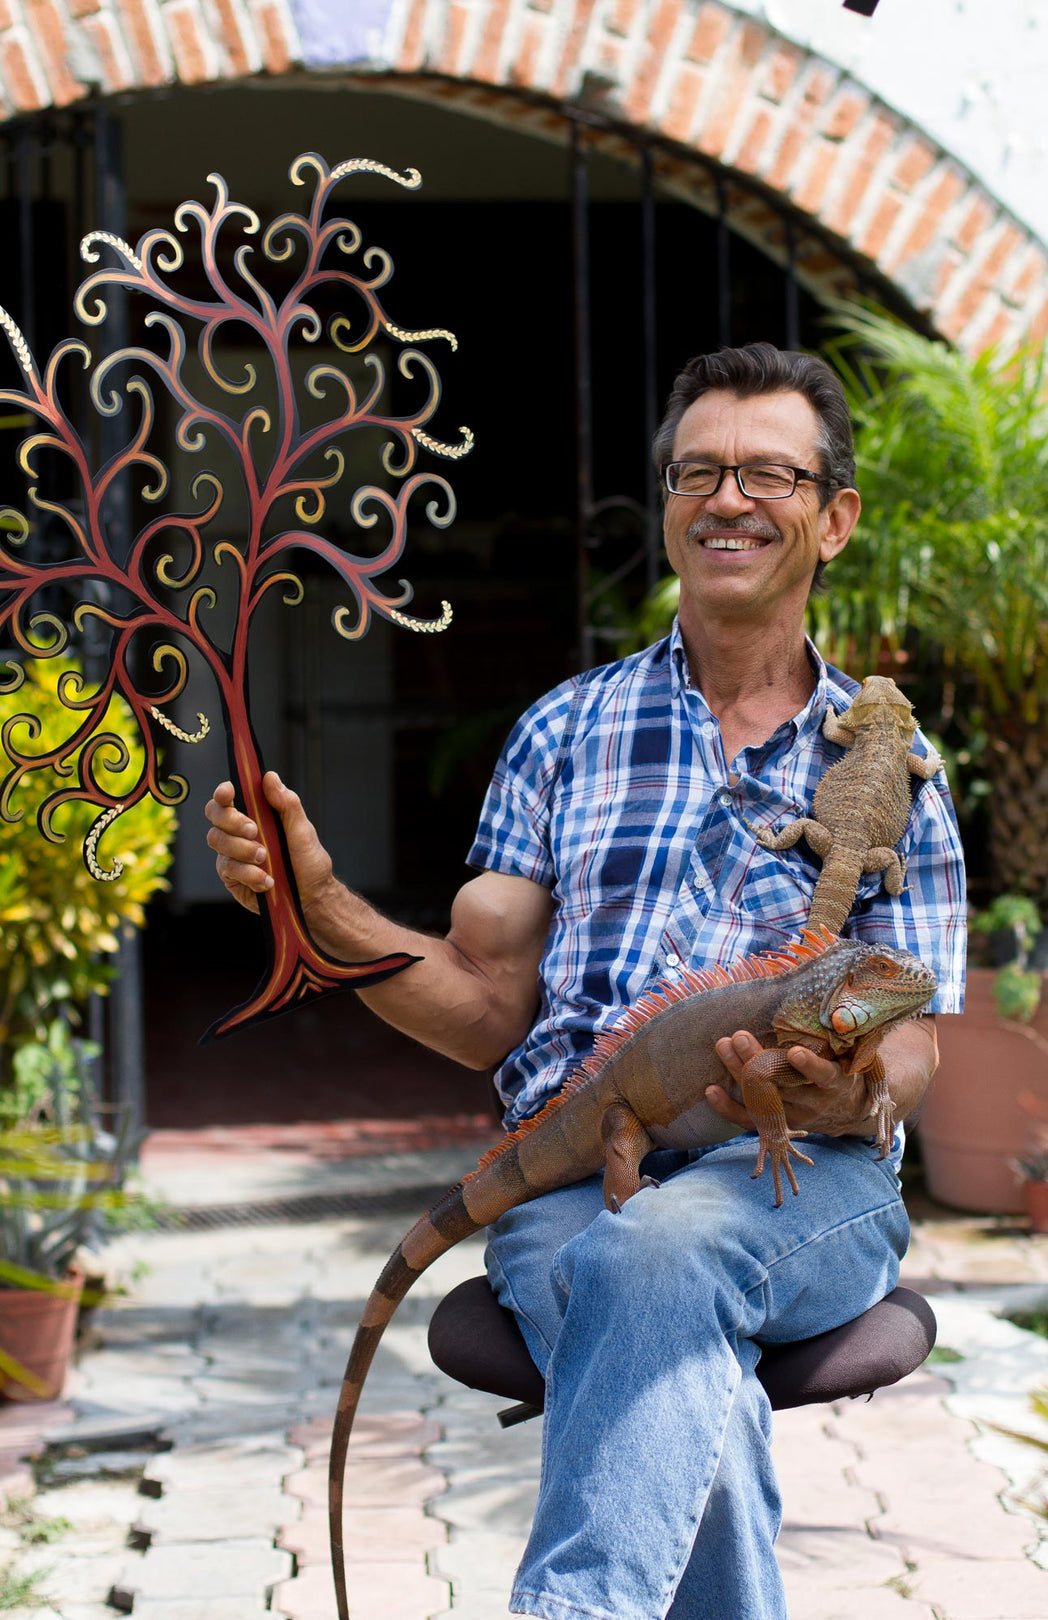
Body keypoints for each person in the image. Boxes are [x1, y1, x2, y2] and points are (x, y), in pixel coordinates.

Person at [205, 343, 965, 1620]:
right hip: (581, 1173)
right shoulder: (561, 734)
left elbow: (918, 1039)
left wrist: (854, 1090)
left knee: (656, 1253)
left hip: (804, 1188)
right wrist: (321, 910)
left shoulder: (893, 764)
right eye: (698, 472)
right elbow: (491, 1010)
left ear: (832, 518)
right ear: (667, 509)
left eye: (769, 472)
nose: (729, 499)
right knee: (666, 1333)